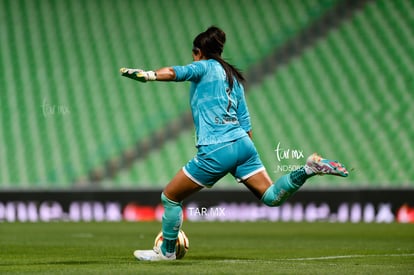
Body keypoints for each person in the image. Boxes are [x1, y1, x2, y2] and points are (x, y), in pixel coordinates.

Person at [120, 26, 349, 261]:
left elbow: (175, 72)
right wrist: (240, 158)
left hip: (216, 147)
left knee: (170, 197)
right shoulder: (234, 79)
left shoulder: (204, 66)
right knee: (271, 196)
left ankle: (167, 252)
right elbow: (246, 124)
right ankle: (308, 169)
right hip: (242, 144)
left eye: (194, 54)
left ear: (198, 52)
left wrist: (149, 75)